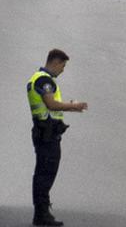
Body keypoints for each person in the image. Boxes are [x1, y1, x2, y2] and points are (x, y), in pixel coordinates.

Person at [27, 48, 87, 227]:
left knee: (44, 173)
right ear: (55, 62)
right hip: (47, 135)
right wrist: (73, 106)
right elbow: (51, 104)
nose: (63, 70)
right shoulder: (44, 80)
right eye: (63, 65)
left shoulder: (37, 78)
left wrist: (68, 106)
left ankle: (42, 211)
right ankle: (41, 213)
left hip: (45, 133)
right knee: (45, 174)